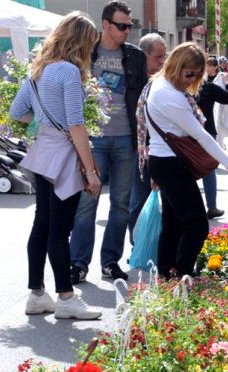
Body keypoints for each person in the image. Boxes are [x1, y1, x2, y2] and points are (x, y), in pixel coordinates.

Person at [10, 12, 102, 320]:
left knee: (43, 223)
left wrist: (42, 122)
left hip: (43, 153)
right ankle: (65, 297)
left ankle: (37, 294)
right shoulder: (69, 72)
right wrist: (91, 171)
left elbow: (16, 111)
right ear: (82, 41)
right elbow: (76, 125)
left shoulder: (39, 70)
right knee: (60, 229)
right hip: (63, 154)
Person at [142, 42, 228, 277]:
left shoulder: (160, 85)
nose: (192, 80)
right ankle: (182, 273)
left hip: (164, 160)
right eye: (189, 73)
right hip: (170, 163)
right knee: (196, 223)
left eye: (197, 75)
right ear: (177, 65)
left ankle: (167, 273)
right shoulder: (169, 94)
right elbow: (201, 135)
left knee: (174, 221)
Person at [69, 0, 148, 284]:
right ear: (105, 24)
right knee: (86, 203)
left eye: (130, 25)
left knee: (121, 204)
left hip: (126, 138)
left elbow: (141, 100)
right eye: (122, 25)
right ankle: (78, 263)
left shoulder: (136, 57)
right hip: (92, 138)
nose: (128, 30)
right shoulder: (84, 53)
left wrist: (144, 139)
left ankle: (110, 261)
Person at [128, 32, 167, 242]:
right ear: (144, 56)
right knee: (139, 199)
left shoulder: (164, 82)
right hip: (141, 149)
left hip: (162, 149)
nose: (163, 61)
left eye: (164, 56)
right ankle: (137, 245)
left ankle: (153, 245)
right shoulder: (135, 81)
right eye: (158, 57)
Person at [195, 57, 228, 219]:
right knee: (208, 169)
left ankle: (190, 207)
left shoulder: (178, 87)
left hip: (184, 135)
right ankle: (212, 207)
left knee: (186, 171)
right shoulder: (207, 87)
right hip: (207, 131)